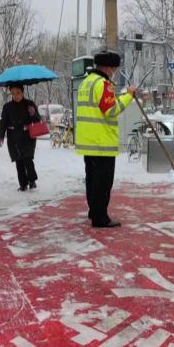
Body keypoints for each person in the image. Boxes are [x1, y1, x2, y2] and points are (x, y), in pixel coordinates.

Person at [75, 49, 137, 228]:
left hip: (88, 141)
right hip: (101, 142)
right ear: (109, 68)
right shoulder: (103, 84)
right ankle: (100, 217)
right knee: (103, 183)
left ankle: (93, 211)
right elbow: (111, 110)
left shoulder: (87, 83)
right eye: (114, 68)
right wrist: (128, 96)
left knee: (92, 180)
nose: (114, 72)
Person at [0, 84, 42, 192]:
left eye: (18, 93)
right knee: (19, 161)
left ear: (22, 92)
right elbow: (3, 122)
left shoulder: (30, 104)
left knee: (27, 159)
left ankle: (32, 181)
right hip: (14, 138)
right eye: (13, 93)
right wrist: (0, 136)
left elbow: (37, 120)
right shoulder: (7, 107)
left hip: (28, 137)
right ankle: (23, 184)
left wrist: (33, 114)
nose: (15, 96)